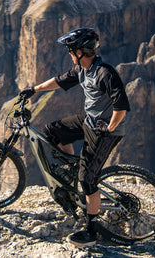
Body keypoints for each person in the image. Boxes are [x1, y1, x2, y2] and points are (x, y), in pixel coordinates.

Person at [19, 27, 130, 247]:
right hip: (89, 122)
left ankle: (92, 228)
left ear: (81, 51)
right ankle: (72, 169)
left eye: (71, 51)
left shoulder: (104, 72)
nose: (69, 54)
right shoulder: (81, 70)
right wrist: (34, 89)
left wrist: (109, 128)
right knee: (53, 131)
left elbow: (122, 105)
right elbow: (59, 81)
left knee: (88, 179)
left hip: (104, 130)